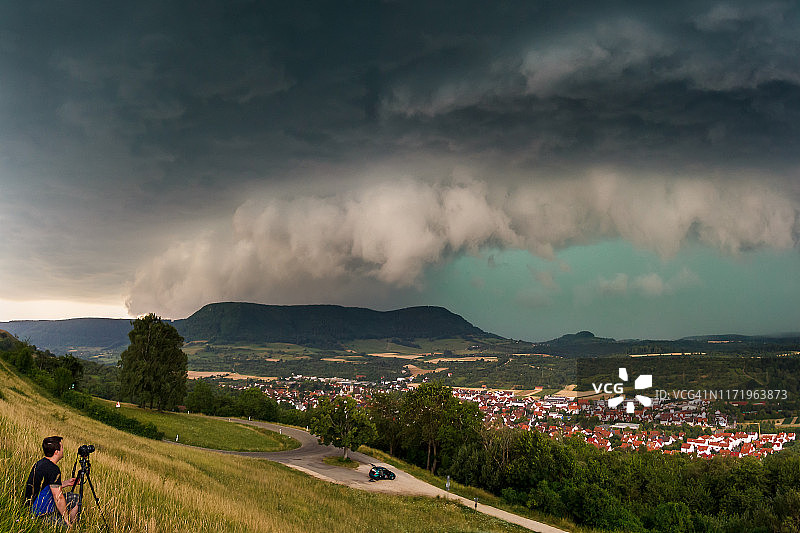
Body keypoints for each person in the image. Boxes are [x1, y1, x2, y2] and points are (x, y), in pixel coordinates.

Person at [23, 436, 80, 528]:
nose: (63, 450)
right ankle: (71, 527)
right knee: (64, 527)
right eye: (62, 448)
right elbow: (58, 498)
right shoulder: (53, 469)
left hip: (32, 506)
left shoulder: (41, 463)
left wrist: (66, 483)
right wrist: (66, 520)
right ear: (56, 452)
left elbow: (45, 486)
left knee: (75, 498)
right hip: (40, 513)